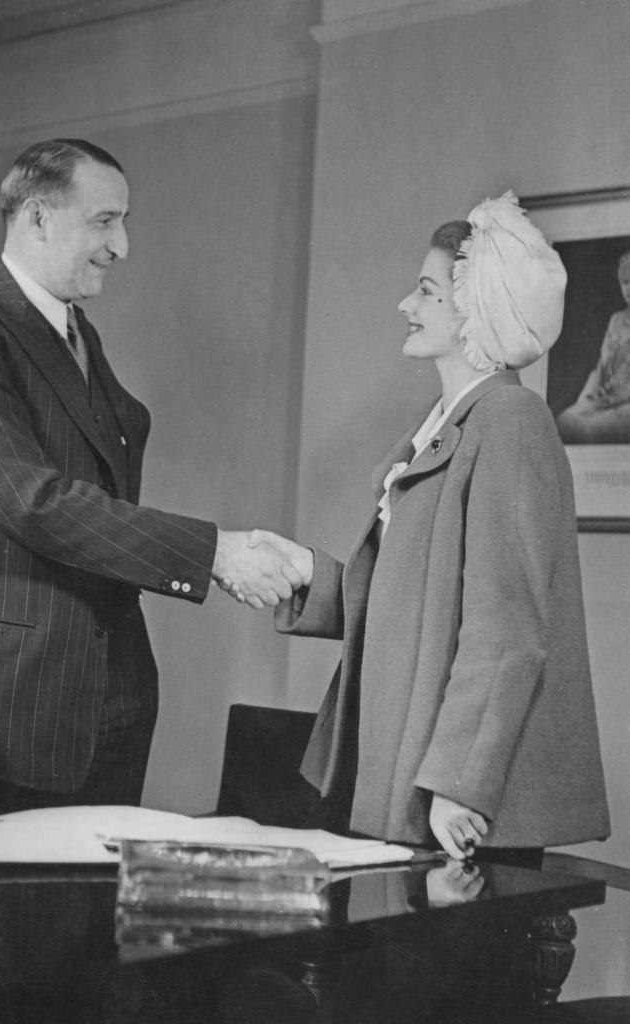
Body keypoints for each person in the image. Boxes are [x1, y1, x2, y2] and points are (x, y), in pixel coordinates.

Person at [0, 138, 310, 820]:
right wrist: (217, 554)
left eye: (124, 221)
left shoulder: (76, 335)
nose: (122, 246)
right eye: (104, 221)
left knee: (82, 928)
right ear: (36, 218)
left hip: (101, 713)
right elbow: (33, 502)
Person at [251, 191, 611, 860]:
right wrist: (309, 573)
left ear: (474, 307)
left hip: (450, 801)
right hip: (404, 763)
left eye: (424, 291)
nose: (406, 306)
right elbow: (413, 607)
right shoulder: (445, 429)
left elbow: (507, 628)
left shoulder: (510, 425)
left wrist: (459, 785)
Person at [557, 249, 630, 443]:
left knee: (588, 430)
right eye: (625, 282)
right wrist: (587, 400)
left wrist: (605, 399)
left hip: (624, 401)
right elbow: (601, 367)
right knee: (565, 421)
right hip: (603, 396)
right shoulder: (616, 320)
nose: (629, 288)